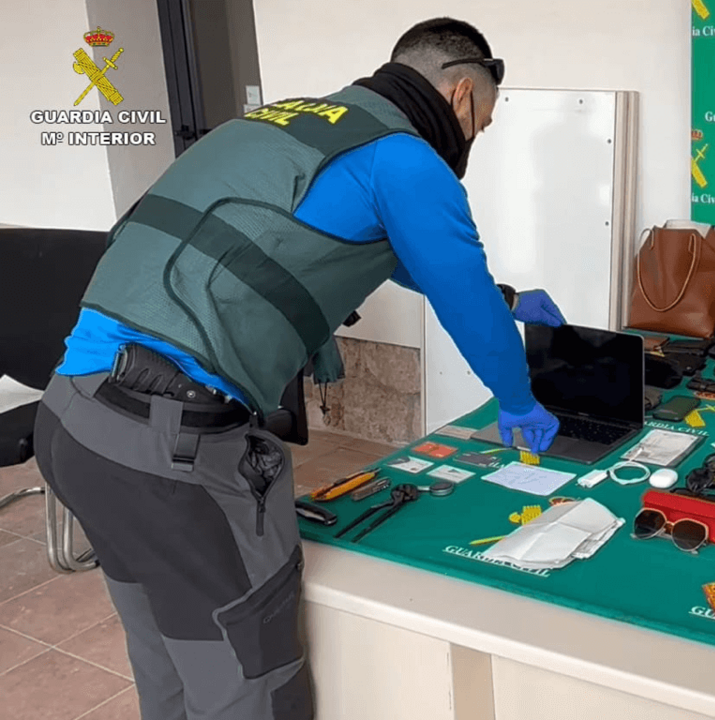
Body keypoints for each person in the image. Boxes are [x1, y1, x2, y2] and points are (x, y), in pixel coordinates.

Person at [32, 16, 565, 720]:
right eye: (483, 124)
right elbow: (459, 297)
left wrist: (507, 299)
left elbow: (395, 253)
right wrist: (517, 398)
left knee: (170, 655)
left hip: (72, 420)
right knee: (249, 678)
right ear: (461, 94)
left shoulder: (282, 123)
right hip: (167, 451)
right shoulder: (406, 160)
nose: (475, 138)